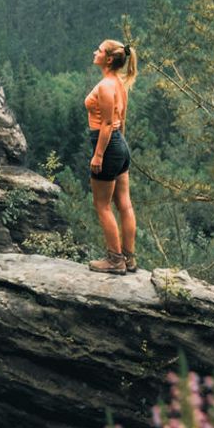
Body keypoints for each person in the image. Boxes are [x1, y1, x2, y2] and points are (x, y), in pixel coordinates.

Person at [85, 37, 138, 274]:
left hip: (107, 146)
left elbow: (107, 124)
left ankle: (115, 261)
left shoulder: (106, 86)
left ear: (107, 59)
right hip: (120, 147)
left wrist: (99, 156)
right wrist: (119, 148)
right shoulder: (119, 83)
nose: (94, 52)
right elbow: (120, 120)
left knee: (102, 205)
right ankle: (129, 258)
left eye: (98, 50)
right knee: (124, 204)